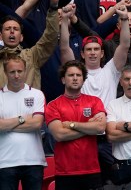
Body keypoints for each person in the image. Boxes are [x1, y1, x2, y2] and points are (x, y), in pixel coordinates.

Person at [45, 60, 108, 190]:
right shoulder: (53, 105)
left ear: (83, 80)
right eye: (70, 75)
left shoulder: (95, 102)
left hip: (92, 170)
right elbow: (60, 135)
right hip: (65, 172)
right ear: (63, 80)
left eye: (78, 75)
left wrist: (72, 125)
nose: (75, 78)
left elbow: (100, 127)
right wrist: (89, 127)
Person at [0, 55, 46, 190]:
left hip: (33, 160)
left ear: (25, 71)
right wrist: (22, 118)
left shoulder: (37, 94)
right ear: (5, 73)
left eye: (19, 71)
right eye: (12, 72)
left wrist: (6, 125)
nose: (16, 75)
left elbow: (37, 124)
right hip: (5, 161)